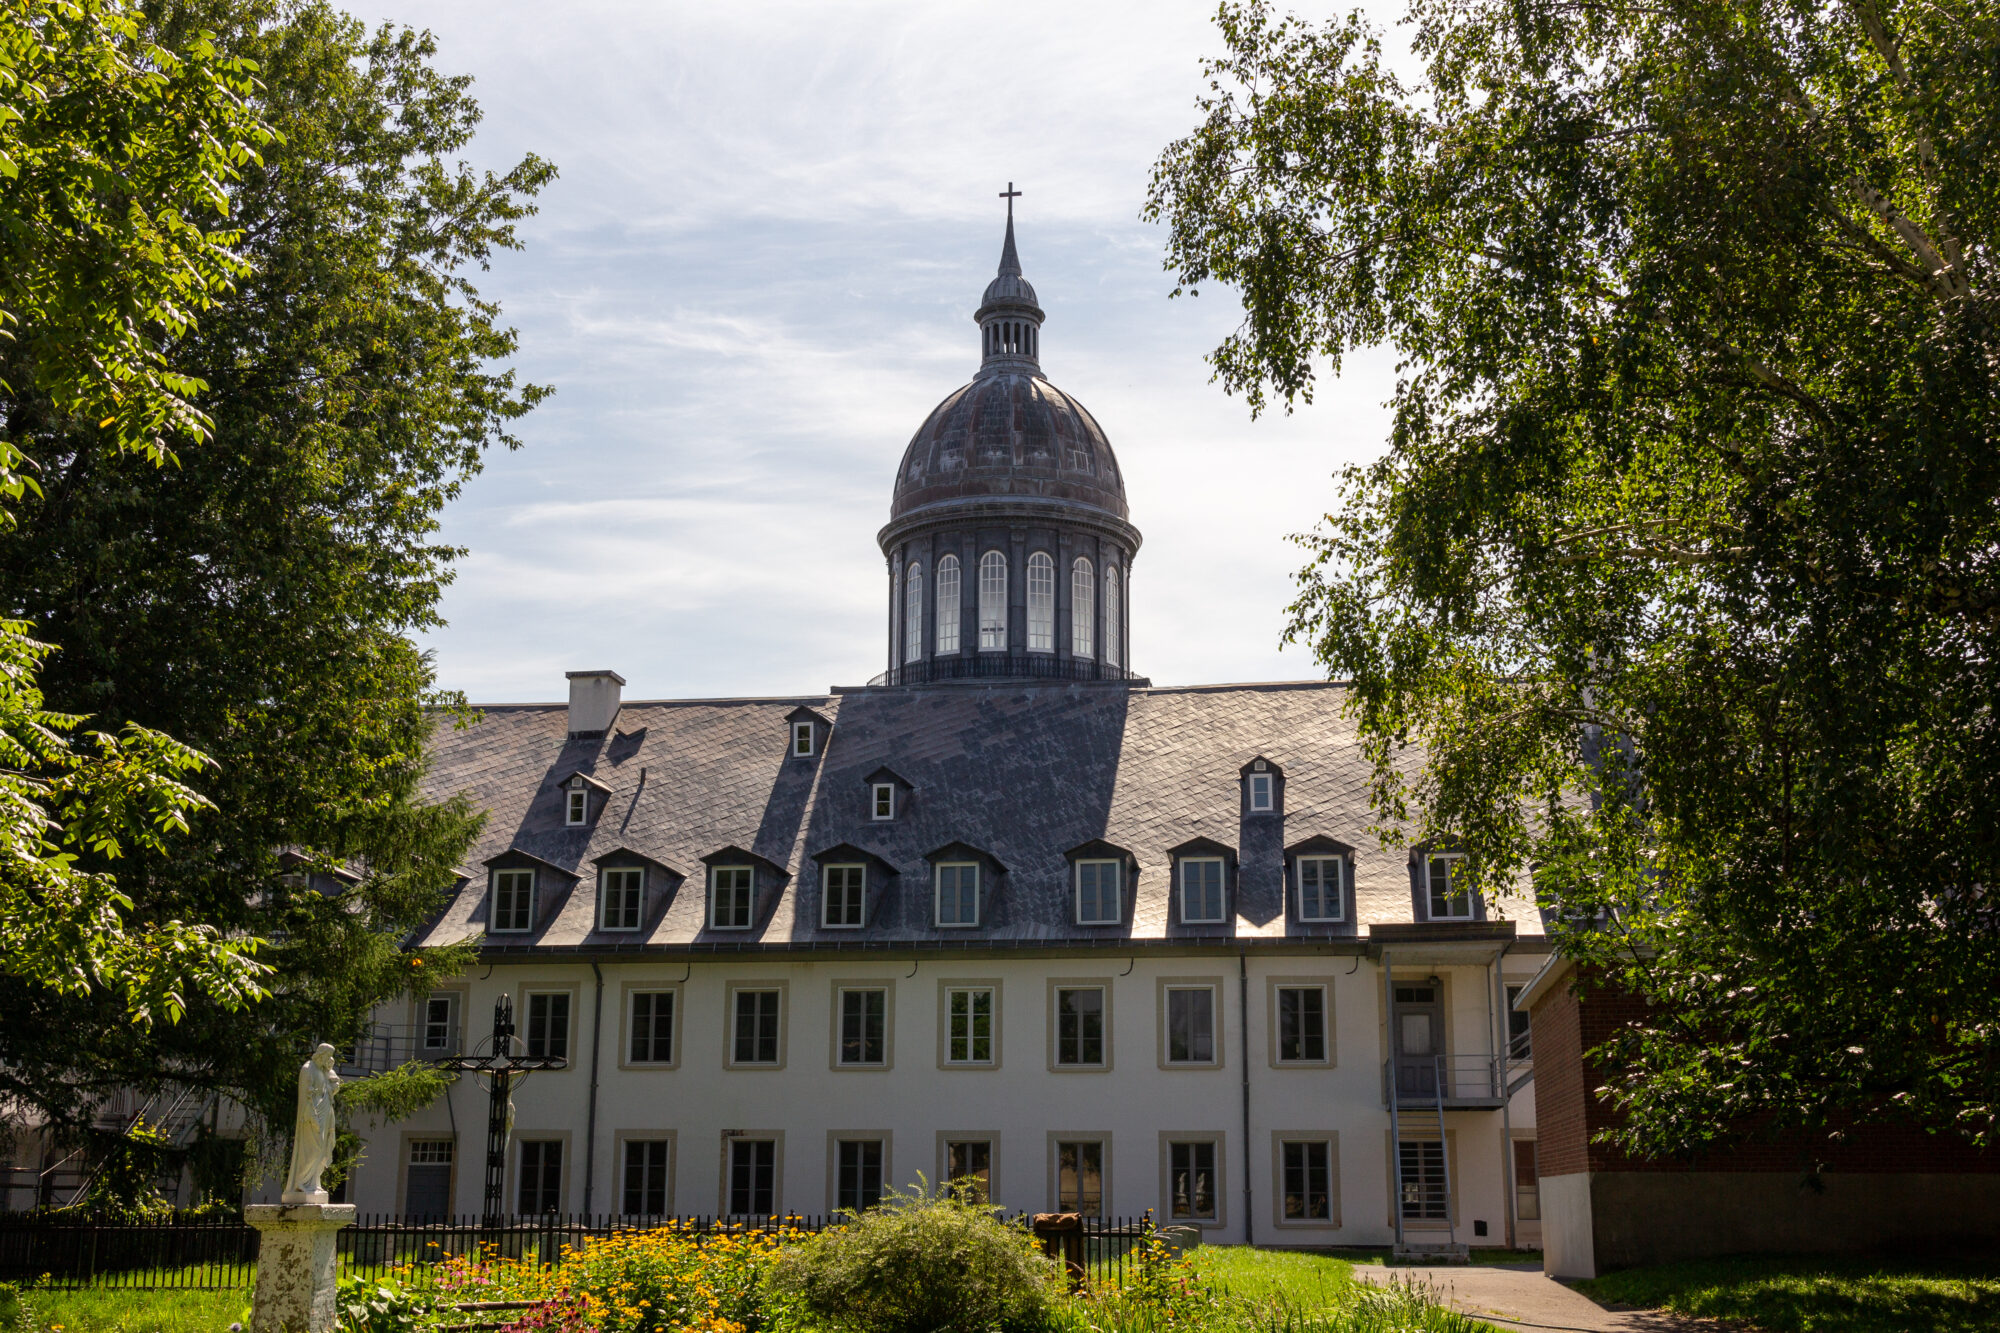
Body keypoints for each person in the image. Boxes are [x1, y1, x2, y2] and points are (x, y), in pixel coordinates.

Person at [281, 1043, 341, 1203]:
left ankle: (313, 1182)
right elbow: (306, 1096)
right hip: (312, 1116)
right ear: (320, 1054)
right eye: (328, 1056)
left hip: (325, 1112)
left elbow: (330, 1087)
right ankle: (301, 1182)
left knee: (322, 1148)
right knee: (313, 1148)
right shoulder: (308, 1069)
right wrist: (312, 1115)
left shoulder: (323, 1070)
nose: (330, 1060)